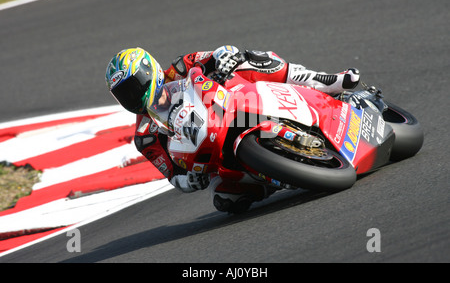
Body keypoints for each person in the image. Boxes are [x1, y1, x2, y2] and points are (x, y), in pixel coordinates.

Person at [105, 46, 360, 213]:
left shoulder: (179, 69)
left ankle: (326, 81)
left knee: (250, 61)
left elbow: (217, 53)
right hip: (214, 154)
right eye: (123, 95)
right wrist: (188, 180)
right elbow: (172, 175)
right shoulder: (146, 137)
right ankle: (276, 176)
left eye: (134, 86)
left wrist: (225, 56)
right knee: (225, 200)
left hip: (233, 103)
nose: (132, 97)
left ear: (149, 72)